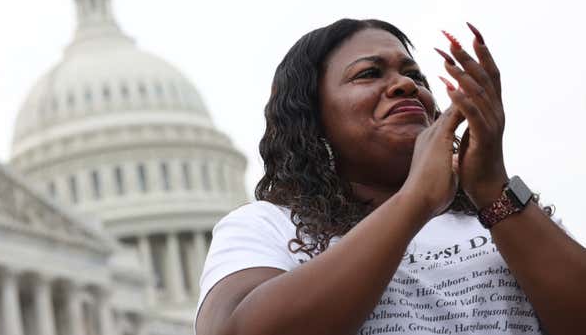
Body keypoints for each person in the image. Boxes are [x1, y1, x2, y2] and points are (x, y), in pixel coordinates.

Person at [195, 19, 586, 335]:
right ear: (313, 118)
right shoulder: (267, 226)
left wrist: (492, 190)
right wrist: (415, 201)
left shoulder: (509, 218)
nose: (405, 85)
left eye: (414, 75)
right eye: (369, 74)